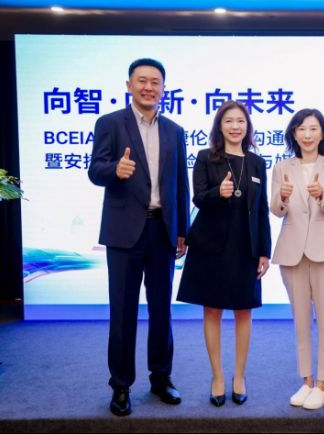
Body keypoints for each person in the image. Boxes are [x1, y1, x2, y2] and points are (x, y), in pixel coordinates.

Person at [88, 58, 190, 417]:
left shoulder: (175, 130)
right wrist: (114, 169)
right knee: (123, 311)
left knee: (162, 311)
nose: (149, 87)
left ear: (164, 88)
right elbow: (95, 170)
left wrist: (182, 231)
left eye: (155, 82)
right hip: (124, 233)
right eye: (142, 80)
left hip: (162, 230)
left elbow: (180, 184)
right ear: (129, 85)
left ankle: (161, 378)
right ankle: (120, 386)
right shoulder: (110, 123)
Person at [177, 101, 271, 407]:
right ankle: (217, 376)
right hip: (211, 246)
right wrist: (218, 193)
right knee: (212, 310)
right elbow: (198, 197)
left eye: (240, 121)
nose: (235, 126)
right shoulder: (206, 157)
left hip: (246, 247)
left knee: (244, 311)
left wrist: (264, 251)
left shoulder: (257, 163)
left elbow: (262, 210)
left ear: (248, 126)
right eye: (229, 121)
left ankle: (239, 377)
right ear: (220, 126)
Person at [270, 109, 324, 410]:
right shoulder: (282, 167)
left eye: (313, 128)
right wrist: (282, 196)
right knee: (300, 320)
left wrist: (321, 192)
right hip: (292, 252)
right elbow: (276, 209)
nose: (307, 134)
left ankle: (323, 384)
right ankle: (307, 380)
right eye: (301, 129)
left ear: (322, 133)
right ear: (294, 133)